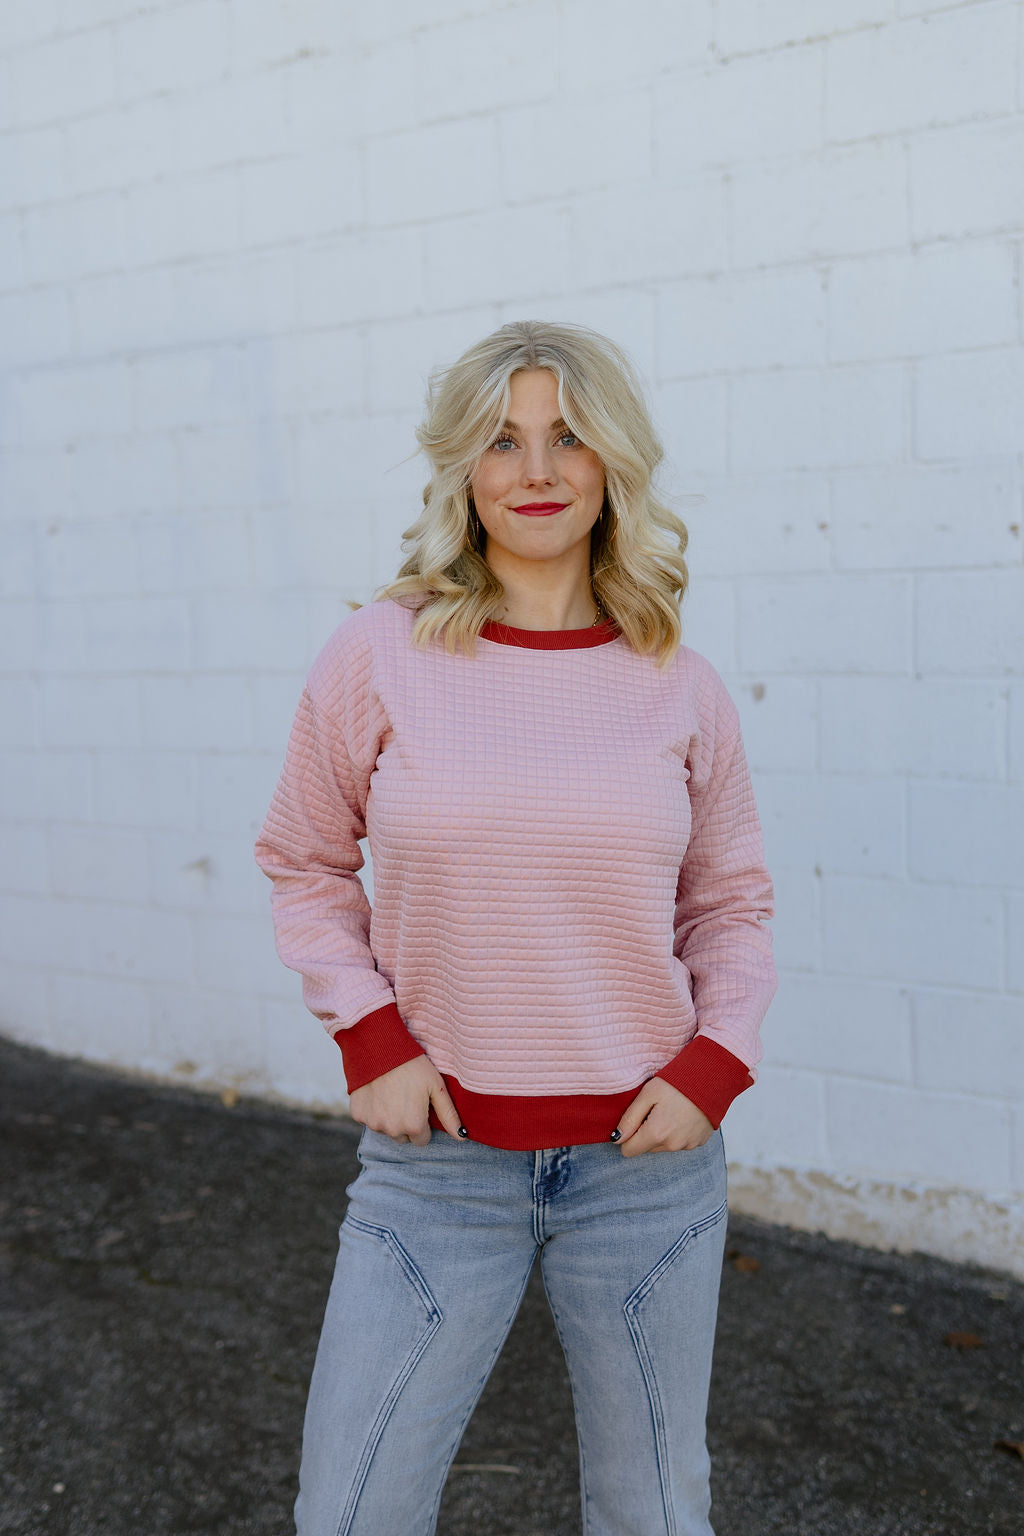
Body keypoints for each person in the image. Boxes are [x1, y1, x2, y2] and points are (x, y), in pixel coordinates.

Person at [253, 319, 776, 1536]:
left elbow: (730, 906)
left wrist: (715, 1063)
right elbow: (305, 861)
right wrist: (368, 1034)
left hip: (646, 1172)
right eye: (502, 438)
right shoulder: (377, 653)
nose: (535, 468)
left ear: (610, 465)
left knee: (654, 1516)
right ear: (463, 469)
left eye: (566, 435)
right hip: (438, 1169)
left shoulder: (678, 683)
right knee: (349, 1515)